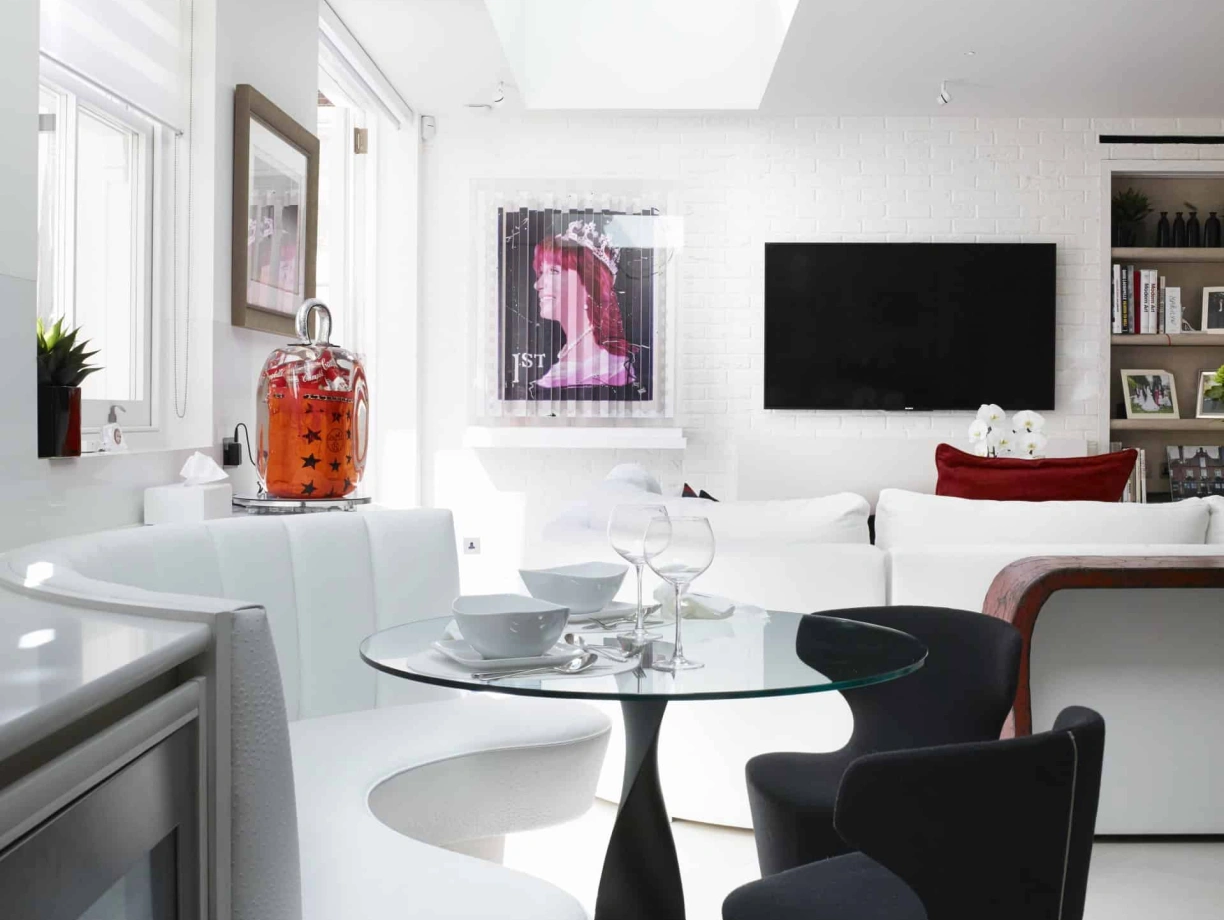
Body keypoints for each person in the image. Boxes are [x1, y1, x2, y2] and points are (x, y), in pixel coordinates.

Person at [531, 221, 635, 389]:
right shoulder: (572, 355)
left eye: (553, 271)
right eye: (541, 272)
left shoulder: (606, 368)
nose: (538, 284)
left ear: (591, 284)